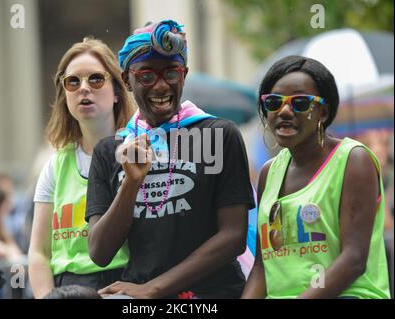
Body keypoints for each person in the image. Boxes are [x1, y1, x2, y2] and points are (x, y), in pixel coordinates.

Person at [86, 20, 255, 299]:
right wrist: (131, 182)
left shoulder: (219, 135)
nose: (161, 86)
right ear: (127, 80)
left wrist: (155, 288)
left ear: (184, 74)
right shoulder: (110, 151)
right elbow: (100, 252)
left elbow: (233, 237)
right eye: (147, 76)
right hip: (139, 296)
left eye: (171, 73)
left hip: (211, 295)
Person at [242, 55, 390, 299]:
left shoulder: (353, 161)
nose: (285, 111)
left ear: (322, 111)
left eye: (300, 103)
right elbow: (261, 267)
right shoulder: (269, 172)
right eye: (274, 103)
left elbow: (353, 259)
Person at [28, 37, 135, 299]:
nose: (83, 88)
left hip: (123, 287)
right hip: (67, 290)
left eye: (96, 79)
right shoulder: (55, 164)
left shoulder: (138, 152)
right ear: (64, 95)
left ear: (117, 90)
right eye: (73, 82)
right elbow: (39, 252)